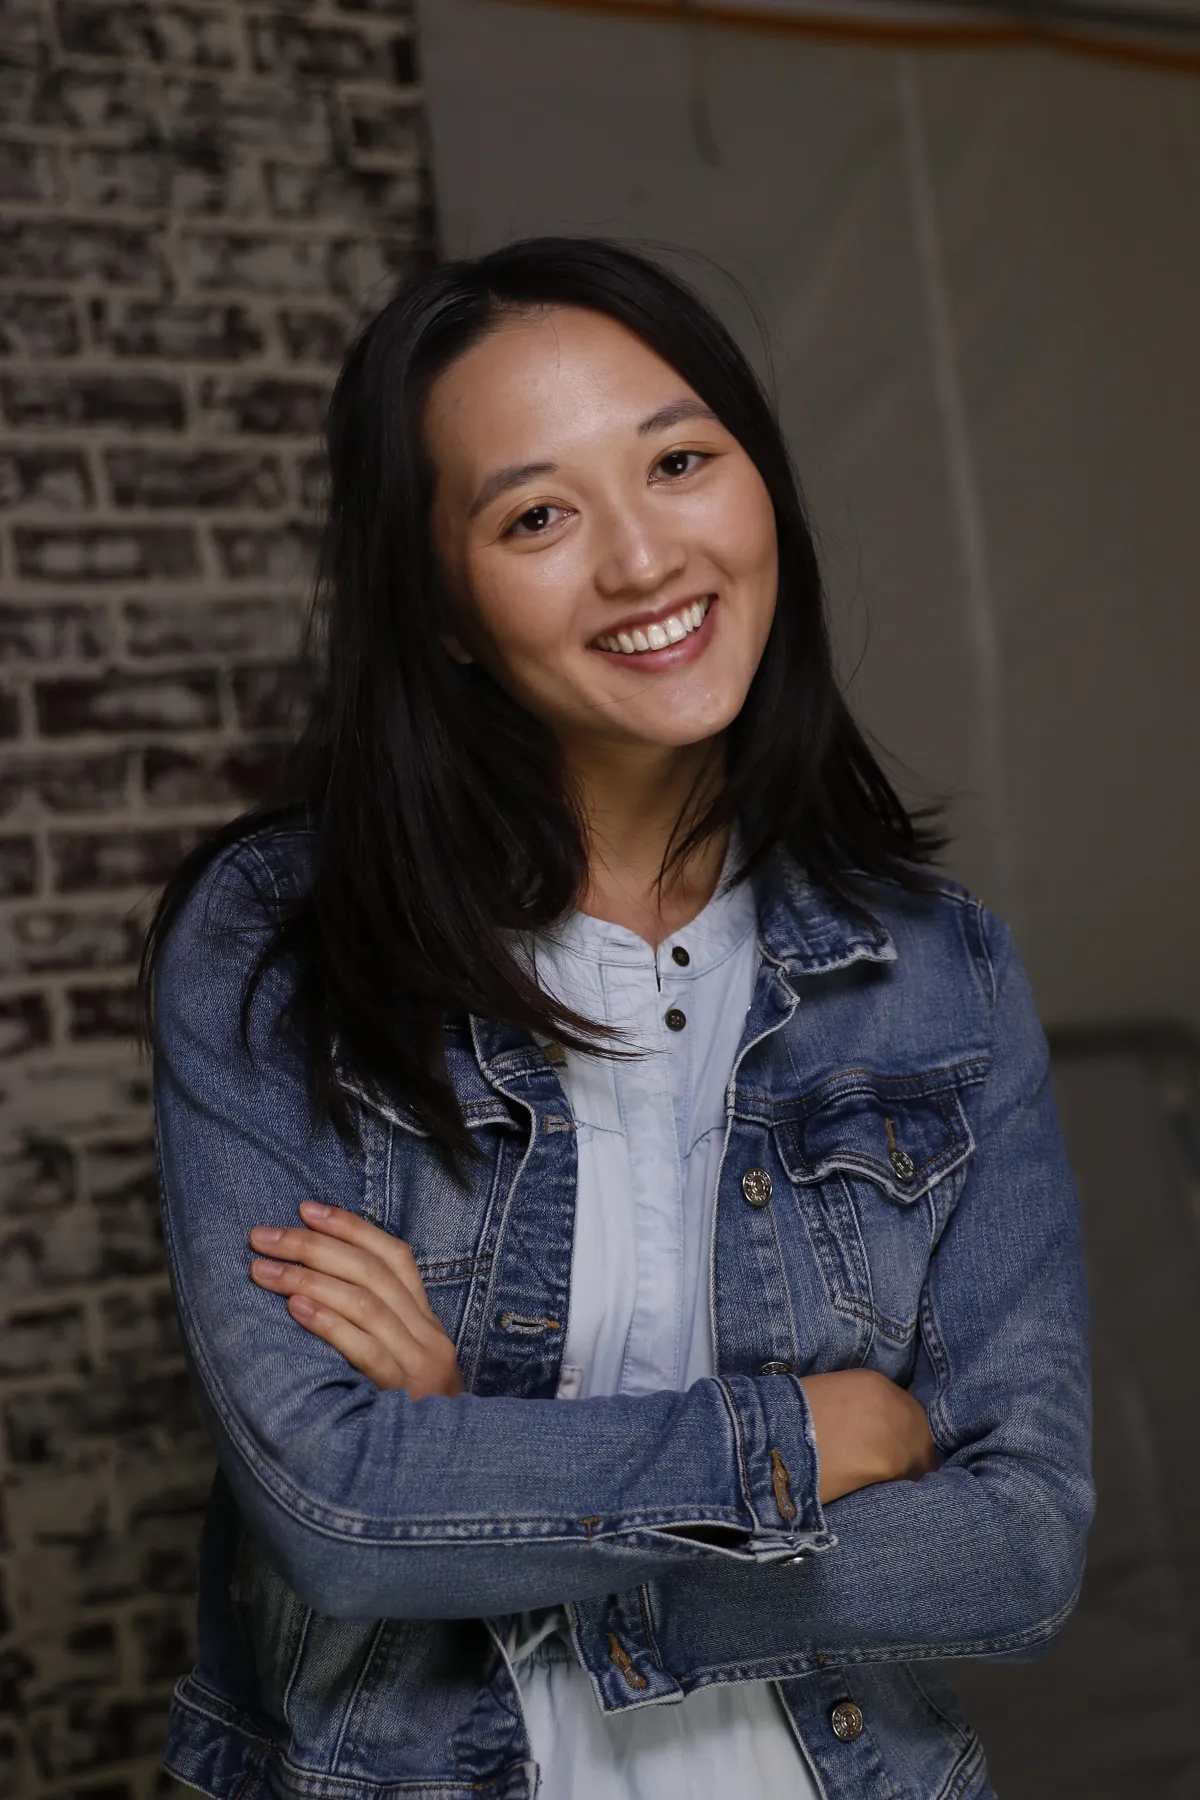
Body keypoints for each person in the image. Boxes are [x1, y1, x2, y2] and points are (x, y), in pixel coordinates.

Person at [145, 237, 1092, 1800]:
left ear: (761, 482)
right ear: (444, 610)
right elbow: (337, 1512)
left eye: (679, 462)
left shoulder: (941, 973)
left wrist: (490, 1488)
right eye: (536, 515)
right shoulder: (278, 947)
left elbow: (1022, 1545)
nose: (644, 560)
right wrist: (808, 1439)